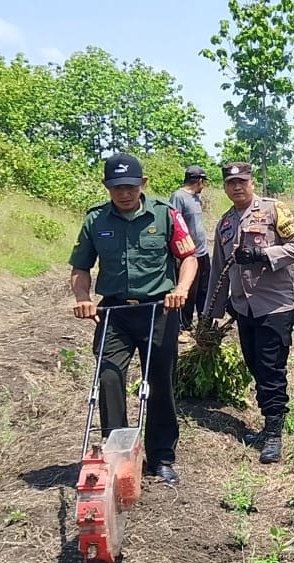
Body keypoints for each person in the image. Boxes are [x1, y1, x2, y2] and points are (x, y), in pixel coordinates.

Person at [69, 153, 198, 486]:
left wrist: (181, 289)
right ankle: (119, 458)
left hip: (160, 310)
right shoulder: (95, 221)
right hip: (114, 313)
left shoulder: (166, 215)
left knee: (158, 383)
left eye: (129, 186)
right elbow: (80, 268)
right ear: (106, 186)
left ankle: (161, 458)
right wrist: (83, 299)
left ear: (143, 184)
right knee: (109, 378)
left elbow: (188, 258)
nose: (123, 193)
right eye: (116, 187)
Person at [203, 162, 294, 464]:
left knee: (271, 368)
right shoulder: (224, 224)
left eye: (242, 181)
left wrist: (264, 255)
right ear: (225, 187)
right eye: (231, 183)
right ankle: (267, 424)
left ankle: (274, 432)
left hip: (274, 305)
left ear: (251, 183)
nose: (237, 187)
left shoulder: (274, 209)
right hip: (243, 308)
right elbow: (218, 271)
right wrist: (212, 311)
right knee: (255, 366)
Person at [169, 165, 211, 339]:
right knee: (188, 292)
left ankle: (204, 325)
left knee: (204, 290)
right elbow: (173, 223)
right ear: (200, 181)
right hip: (186, 255)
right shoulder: (179, 197)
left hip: (202, 252)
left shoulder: (196, 198)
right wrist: (178, 256)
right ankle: (183, 327)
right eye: (204, 182)